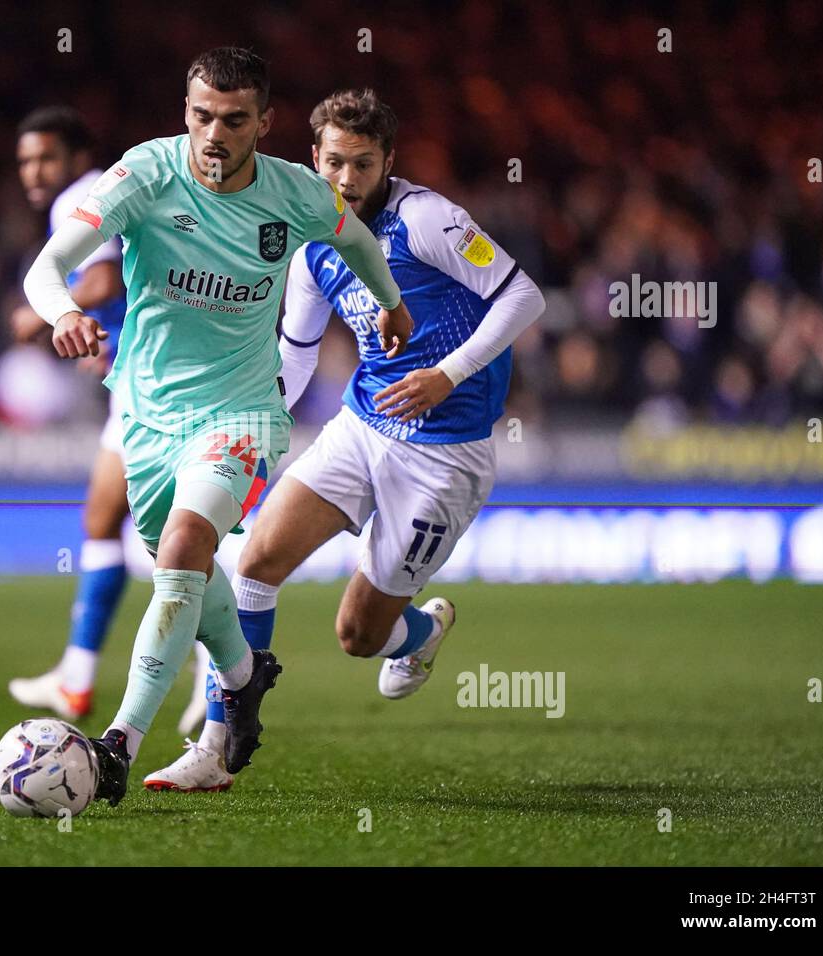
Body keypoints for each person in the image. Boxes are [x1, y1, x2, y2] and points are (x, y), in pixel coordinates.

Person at [22, 52, 412, 807]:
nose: (214, 133)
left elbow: (358, 242)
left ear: (264, 125)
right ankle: (242, 677)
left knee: (185, 549)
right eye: (202, 115)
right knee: (187, 576)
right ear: (186, 111)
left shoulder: (296, 193)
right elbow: (48, 266)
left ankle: (117, 748)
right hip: (144, 414)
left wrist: (389, 302)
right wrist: (64, 313)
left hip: (241, 412)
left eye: (235, 120)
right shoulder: (143, 177)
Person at [144, 88, 545, 792]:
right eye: (335, 164)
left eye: (363, 165)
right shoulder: (310, 244)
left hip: (443, 451)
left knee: (358, 635)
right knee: (256, 560)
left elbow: (522, 297)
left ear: (389, 160)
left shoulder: (427, 221)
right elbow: (295, 356)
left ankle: (420, 635)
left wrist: (445, 376)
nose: (347, 182)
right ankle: (214, 745)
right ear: (314, 158)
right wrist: (248, 427)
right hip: (360, 427)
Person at [6, 107, 133, 721]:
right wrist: (105, 342)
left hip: (153, 387)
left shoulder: (81, 197)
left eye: (46, 158)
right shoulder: (101, 191)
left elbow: (105, 280)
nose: (34, 171)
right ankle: (77, 679)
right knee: (112, 524)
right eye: (26, 160)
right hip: (139, 375)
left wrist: (43, 312)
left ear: (78, 157)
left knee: (151, 536)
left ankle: (223, 674)